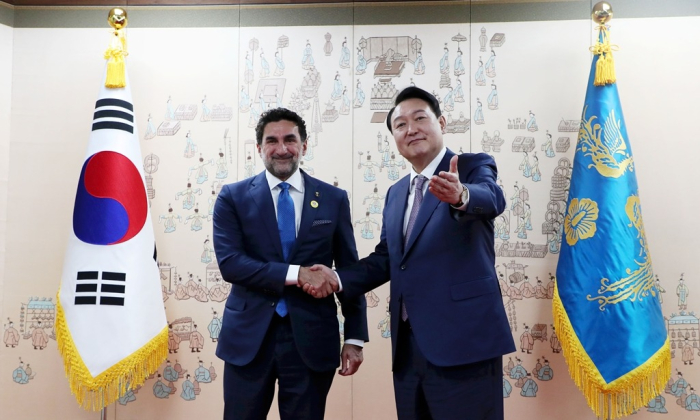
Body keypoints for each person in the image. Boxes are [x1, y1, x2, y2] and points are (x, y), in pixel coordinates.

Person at [305, 87, 514, 419]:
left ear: (441, 122)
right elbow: (387, 258)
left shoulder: (472, 167)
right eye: (400, 125)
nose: (411, 128)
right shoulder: (396, 192)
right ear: (395, 138)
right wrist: (337, 278)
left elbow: (491, 198)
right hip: (408, 350)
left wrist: (461, 195)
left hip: (465, 343)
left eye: (420, 118)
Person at [213, 107, 369, 420]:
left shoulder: (333, 199)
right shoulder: (233, 197)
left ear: (304, 145)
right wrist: (297, 274)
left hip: (311, 340)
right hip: (249, 340)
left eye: (290, 139)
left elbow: (349, 271)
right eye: (272, 140)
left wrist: (354, 337)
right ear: (259, 148)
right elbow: (231, 264)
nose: (282, 149)